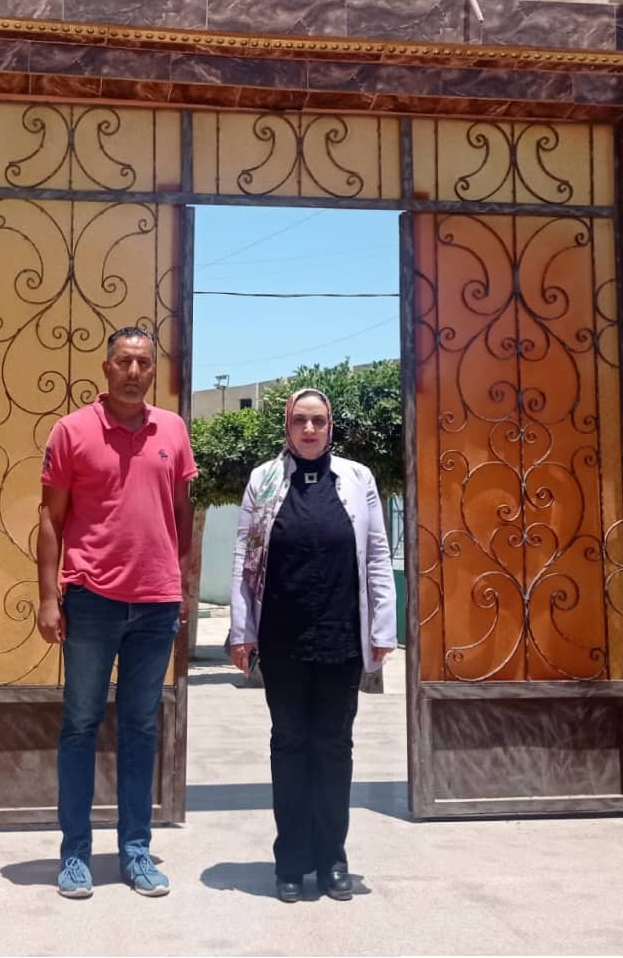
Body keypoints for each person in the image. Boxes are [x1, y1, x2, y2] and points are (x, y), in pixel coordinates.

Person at [35, 326, 197, 900]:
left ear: (153, 370)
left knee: (140, 727)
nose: (133, 372)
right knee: (80, 725)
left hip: (155, 605)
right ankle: (75, 854)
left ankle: (135, 851)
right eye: (124, 361)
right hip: (92, 601)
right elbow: (51, 518)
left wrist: (180, 586)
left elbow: (182, 512)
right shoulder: (72, 431)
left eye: (143, 363)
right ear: (106, 367)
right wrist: (48, 596)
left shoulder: (172, 430)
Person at [227, 387, 396, 904]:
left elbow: (376, 554)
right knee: (289, 745)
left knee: (334, 747)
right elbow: (245, 558)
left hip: (341, 637)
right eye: (300, 420)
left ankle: (332, 861)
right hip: (283, 638)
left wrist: (382, 628)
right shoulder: (263, 479)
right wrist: (242, 629)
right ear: (287, 425)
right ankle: (291, 863)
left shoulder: (358, 478)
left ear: (330, 426)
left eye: (318, 421)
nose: (309, 429)